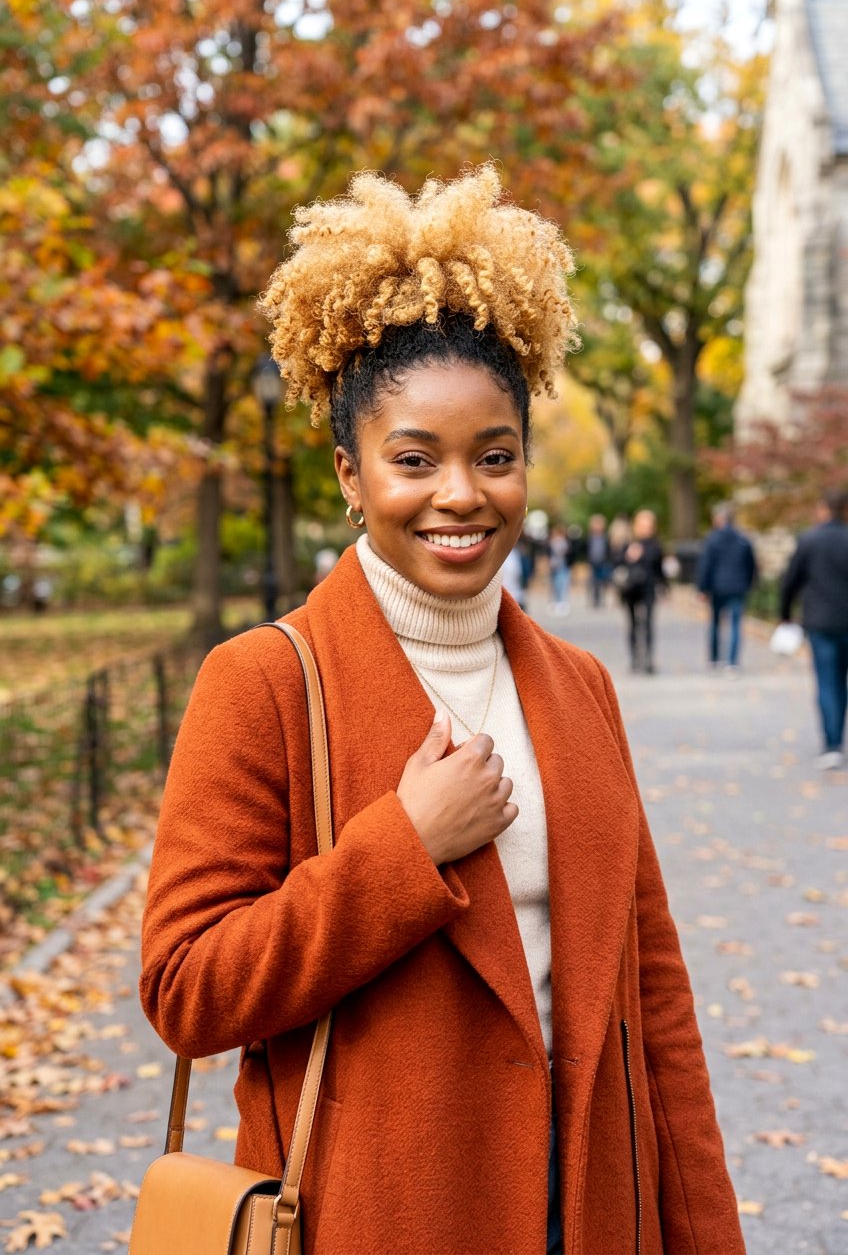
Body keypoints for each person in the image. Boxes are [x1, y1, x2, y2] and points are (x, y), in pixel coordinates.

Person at [140, 167, 744, 1255]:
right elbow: (187, 988)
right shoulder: (265, 682)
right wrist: (402, 848)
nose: (459, 493)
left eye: (494, 457)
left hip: (591, 1212)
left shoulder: (579, 685)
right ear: (350, 473)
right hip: (376, 1219)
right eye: (413, 459)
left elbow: (653, 1004)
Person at [780, 488, 848, 770]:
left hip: (820, 623)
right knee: (840, 683)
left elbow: (790, 581)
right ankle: (836, 738)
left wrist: (784, 615)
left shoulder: (809, 540)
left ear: (824, 509)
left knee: (827, 682)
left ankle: (832, 744)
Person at [696, 502, 758, 676]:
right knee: (736, 624)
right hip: (738, 586)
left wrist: (702, 588)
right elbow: (751, 565)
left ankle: (715, 657)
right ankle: (732, 661)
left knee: (716, 622)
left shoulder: (713, 539)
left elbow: (705, 565)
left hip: (718, 587)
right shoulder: (743, 539)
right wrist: (749, 583)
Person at [615, 508, 667, 674]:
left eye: (649, 525)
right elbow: (617, 565)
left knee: (648, 623)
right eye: (643, 524)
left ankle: (649, 659)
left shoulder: (655, 545)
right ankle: (635, 658)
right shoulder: (628, 543)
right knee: (633, 623)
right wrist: (629, 557)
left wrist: (664, 587)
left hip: (648, 588)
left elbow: (659, 568)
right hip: (631, 589)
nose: (646, 528)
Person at [586, 513, 612, 608]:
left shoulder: (605, 537)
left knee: (603, 581)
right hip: (593, 562)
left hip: (603, 562)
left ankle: (601, 599)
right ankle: (595, 599)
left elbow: (608, 550)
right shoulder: (590, 537)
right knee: (594, 581)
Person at [547, 523, 571, 616]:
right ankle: (556, 602)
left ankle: (562, 602)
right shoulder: (552, 542)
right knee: (555, 585)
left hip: (562, 566)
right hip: (554, 567)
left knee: (562, 585)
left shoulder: (563, 543)